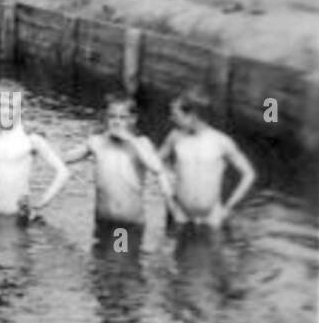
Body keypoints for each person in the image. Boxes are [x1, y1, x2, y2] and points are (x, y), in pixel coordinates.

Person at [63, 95, 175, 248]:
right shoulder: (97, 142)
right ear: (106, 118)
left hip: (125, 226)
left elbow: (156, 167)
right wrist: (37, 147)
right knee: (100, 266)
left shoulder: (140, 144)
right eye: (112, 117)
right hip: (103, 222)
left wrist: (130, 138)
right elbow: (66, 158)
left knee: (118, 265)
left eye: (122, 118)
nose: (116, 122)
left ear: (132, 119)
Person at [0, 84, 70, 220]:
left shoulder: (30, 140)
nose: (4, 112)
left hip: (17, 215)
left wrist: (42, 201)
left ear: (21, 109)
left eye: (10, 107)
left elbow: (63, 172)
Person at [157, 88, 256, 229]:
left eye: (176, 115)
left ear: (193, 115)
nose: (171, 119)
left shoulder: (221, 141)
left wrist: (229, 206)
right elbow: (154, 164)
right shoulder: (174, 137)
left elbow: (248, 174)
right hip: (181, 216)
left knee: (211, 250)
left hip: (212, 219)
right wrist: (168, 192)